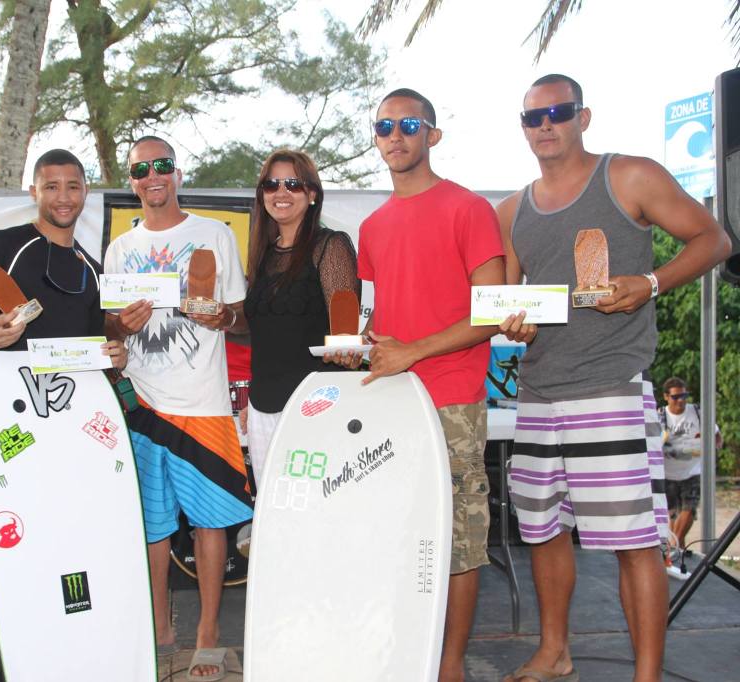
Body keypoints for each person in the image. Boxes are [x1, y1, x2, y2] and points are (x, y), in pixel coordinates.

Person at [496, 74, 731, 682]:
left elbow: (715, 238)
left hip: (610, 388)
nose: (545, 124)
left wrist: (650, 283)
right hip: (539, 394)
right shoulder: (512, 209)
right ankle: (555, 652)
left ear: (584, 116)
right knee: (544, 533)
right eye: (532, 117)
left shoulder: (629, 176)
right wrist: (512, 325)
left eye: (558, 112)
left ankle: (646, 675)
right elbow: (504, 301)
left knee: (634, 542)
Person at [329, 88, 506, 682]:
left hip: (452, 397)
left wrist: (414, 352)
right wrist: (363, 343)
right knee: (397, 535)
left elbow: (491, 311)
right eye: (383, 126)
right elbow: (384, 315)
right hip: (391, 401)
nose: (394, 135)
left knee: (457, 540)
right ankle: (408, 657)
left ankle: (450, 666)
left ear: (432, 135)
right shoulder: (374, 226)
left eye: (408, 124)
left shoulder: (468, 208)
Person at [0, 148, 126, 682]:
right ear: (35, 191)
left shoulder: (93, 269)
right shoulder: (4, 247)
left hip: (74, 427)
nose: (64, 197)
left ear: (85, 193)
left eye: (73, 186)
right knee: (5, 539)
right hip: (12, 419)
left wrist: (117, 349)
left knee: (68, 537)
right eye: (52, 186)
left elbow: (102, 346)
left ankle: (63, 654)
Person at [105, 135, 253, 681]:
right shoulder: (121, 248)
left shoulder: (213, 234)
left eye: (161, 165)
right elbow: (108, 324)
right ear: (132, 181)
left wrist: (221, 319)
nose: (152, 177)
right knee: (153, 524)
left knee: (210, 525)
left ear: (177, 173)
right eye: (141, 170)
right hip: (142, 402)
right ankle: (160, 628)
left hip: (203, 401)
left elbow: (240, 315)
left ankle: (208, 632)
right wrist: (121, 324)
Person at [242, 148, 359, 487]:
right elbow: (266, 337)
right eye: (271, 184)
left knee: (313, 514)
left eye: (292, 184)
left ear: (311, 195)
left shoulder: (330, 247)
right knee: (274, 512)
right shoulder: (261, 257)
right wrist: (254, 399)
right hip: (263, 408)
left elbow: (346, 336)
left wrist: (350, 350)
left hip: (315, 407)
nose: (280, 192)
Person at [659, 376, 721, 572]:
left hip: (693, 471)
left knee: (689, 509)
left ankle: (673, 549)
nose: (681, 400)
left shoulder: (697, 413)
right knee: (674, 515)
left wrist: (715, 448)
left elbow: (716, 434)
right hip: (668, 473)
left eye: (684, 396)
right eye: (676, 397)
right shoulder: (660, 417)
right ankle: (679, 549)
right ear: (666, 397)